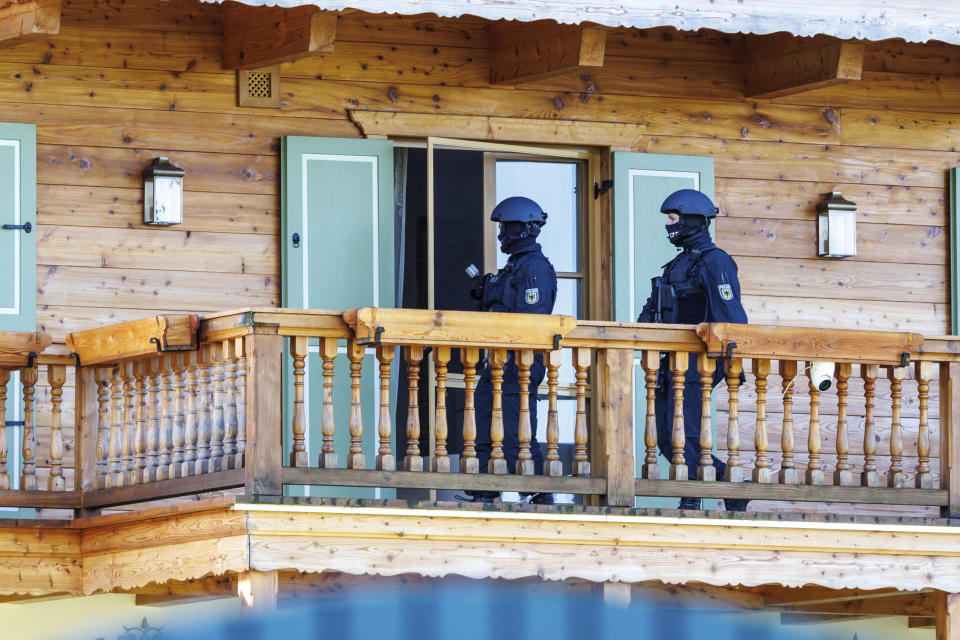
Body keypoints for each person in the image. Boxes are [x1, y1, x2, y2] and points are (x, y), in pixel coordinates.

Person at [636, 189, 749, 512]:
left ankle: (695, 496)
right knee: (664, 437)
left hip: (699, 362)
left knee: (686, 434)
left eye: (672, 219)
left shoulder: (715, 262)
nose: (669, 226)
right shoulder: (676, 265)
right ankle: (728, 484)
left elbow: (731, 318)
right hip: (670, 362)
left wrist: (731, 365)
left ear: (691, 220)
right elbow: (649, 315)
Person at [465, 196, 558, 503]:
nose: (501, 233)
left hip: (519, 363)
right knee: (484, 421)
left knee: (517, 433)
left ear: (523, 228)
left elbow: (531, 321)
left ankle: (540, 495)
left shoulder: (535, 268)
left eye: (505, 226)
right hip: (496, 361)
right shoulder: (512, 267)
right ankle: (484, 489)